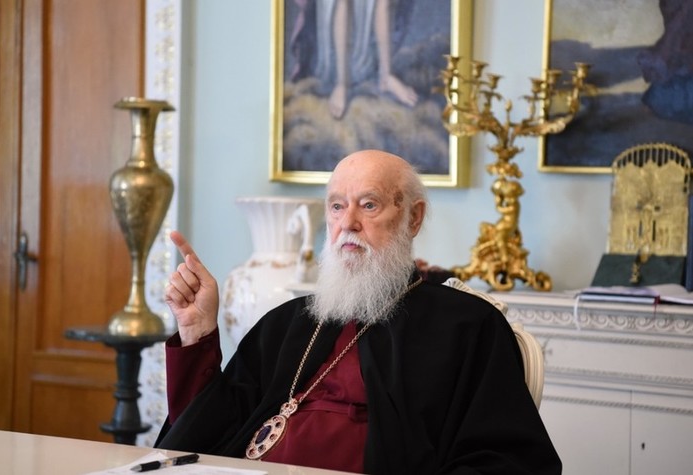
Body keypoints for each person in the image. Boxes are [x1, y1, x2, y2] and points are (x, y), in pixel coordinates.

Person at [155, 149, 562, 474]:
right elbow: (205, 432)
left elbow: (506, 459)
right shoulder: (287, 322)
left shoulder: (466, 325)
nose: (347, 222)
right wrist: (197, 332)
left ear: (413, 217)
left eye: (369, 205)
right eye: (336, 206)